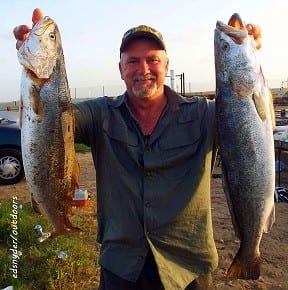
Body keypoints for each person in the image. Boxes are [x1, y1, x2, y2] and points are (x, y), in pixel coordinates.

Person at [14, 9, 261, 290]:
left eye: (152, 60)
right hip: (121, 267)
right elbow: (52, 119)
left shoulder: (206, 115)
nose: (143, 69)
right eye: (133, 61)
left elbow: (250, 119)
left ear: (166, 66)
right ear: (120, 69)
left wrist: (247, 60)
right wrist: (36, 65)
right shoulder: (99, 114)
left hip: (187, 269)